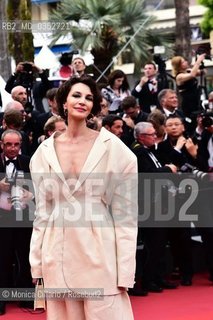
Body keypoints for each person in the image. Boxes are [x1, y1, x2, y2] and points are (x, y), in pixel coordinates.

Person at [29, 76, 138, 320]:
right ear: (63, 103)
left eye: (89, 98)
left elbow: (126, 213)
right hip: (56, 250)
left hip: (99, 247)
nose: (83, 102)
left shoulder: (113, 147)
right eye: (76, 95)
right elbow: (42, 212)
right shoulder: (43, 152)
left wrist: (125, 269)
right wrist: (36, 260)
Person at [0, 129, 34, 315]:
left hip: (22, 219)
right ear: (1, 144)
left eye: (16, 145)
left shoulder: (28, 162)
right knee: (2, 260)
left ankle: (26, 298)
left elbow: (39, 186)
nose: (12, 148)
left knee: (25, 259)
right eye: (8, 144)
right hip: (1, 221)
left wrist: (30, 195)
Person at [171, 54, 206, 129]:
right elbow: (192, 75)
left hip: (197, 101)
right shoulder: (179, 77)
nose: (186, 62)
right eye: (183, 62)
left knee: (202, 121)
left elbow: (203, 72)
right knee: (193, 123)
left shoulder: (188, 71)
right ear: (179, 65)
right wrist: (198, 61)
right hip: (189, 104)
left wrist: (198, 66)